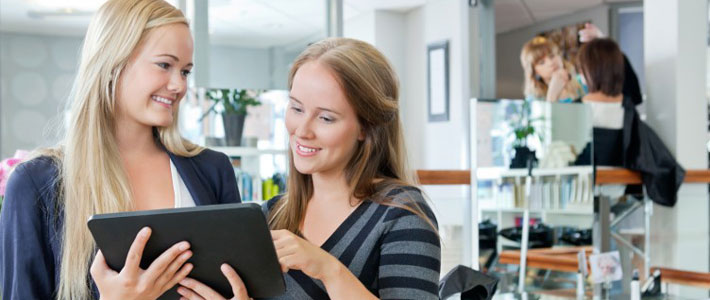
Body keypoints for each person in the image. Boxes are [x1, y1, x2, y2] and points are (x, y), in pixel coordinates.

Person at [0, 0, 240, 299]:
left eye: (186, 71)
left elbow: (237, 283)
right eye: (165, 65)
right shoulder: (36, 182)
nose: (179, 85)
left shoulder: (213, 170)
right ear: (113, 63)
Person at [176, 38, 442, 299]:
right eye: (296, 108)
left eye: (325, 118)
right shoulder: (270, 216)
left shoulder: (401, 214)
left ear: (366, 126)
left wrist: (328, 270)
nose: (302, 131)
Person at [575, 38, 684, 207]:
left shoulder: (575, 109)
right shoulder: (627, 108)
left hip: (578, 192)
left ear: (587, 70)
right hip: (619, 189)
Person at [520, 36, 586, 103]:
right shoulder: (534, 99)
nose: (551, 63)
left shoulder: (583, 82)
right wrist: (552, 95)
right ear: (534, 72)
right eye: (542, 62)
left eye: (552, 56)